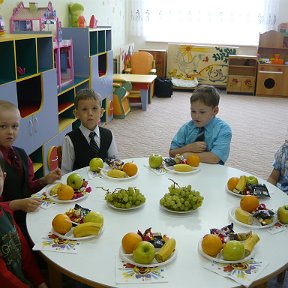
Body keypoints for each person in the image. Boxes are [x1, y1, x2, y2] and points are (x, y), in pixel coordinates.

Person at [0, 100, 62, 240]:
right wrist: (18, 204)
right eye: (3, 126)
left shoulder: (21, 154)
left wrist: (43, 180)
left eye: (15, 126)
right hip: (7, 228)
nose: (10, 131)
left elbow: (26, 187)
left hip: (27, 215)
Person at [0, 152, 48, 288]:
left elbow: (25, 254)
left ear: (3, 177)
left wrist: (40, 282)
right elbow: (3, 277)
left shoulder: (6, 212)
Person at [169, 85, 232, 164]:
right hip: (187, 169)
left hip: (213, 171)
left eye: (202, 112)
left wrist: (188, 155)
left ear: (215, 111)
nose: (196, 116)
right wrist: (188, 148)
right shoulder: (187, 127)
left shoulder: (223, 130)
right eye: (193, 111)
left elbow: (215, 158)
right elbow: (171, 153)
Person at [61, 88, 118, 174]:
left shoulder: (108, 135)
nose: (90, 113)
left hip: (105, 182)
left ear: (101, 112)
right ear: (77, 114)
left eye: (94, 108)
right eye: (84, 109)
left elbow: (115, 163)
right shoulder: (70, 139)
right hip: (81, 184)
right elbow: (66, 171)